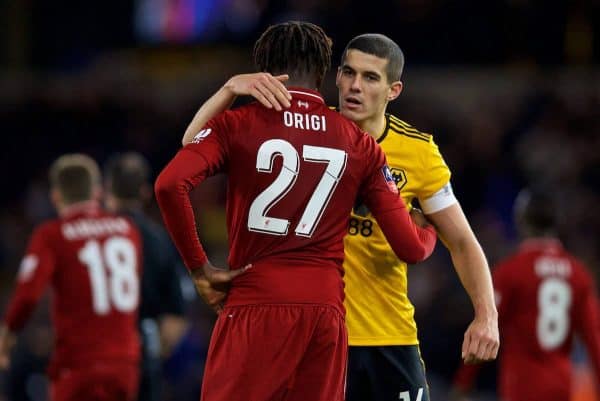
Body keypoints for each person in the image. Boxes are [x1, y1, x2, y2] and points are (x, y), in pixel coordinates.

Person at [180, 33, 499, 401]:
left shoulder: (419, 153)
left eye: (370, 77)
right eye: (348, 73)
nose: (355, 86)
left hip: (388, 335)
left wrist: (486, 314)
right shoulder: (306, 130)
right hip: (317, 336)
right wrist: (230, 89)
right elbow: (194, 145)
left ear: (394, 90)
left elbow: (461, 241)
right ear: (335, 77)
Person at [0, 153, 142, 401]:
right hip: (125, 366)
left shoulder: (52, 235)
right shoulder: (127, 230)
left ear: (56, 196)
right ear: (97, 193)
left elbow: (27, 296)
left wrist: (7, 334)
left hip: (78, 366)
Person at [451, 188, 600, 401]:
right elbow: (593, 340)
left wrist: (463, 383)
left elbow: (485, 330)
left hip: (521, 386)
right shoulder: (578, 274)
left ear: (521, 221)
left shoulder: (511, 271)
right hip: (562, 386)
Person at [104, 152, 188, 401]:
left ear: (106, 189)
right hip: (140, 354)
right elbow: (176, 318)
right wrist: (153, 353)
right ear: (144, 192)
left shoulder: (88, 238)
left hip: (95, 354)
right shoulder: (159, 240)